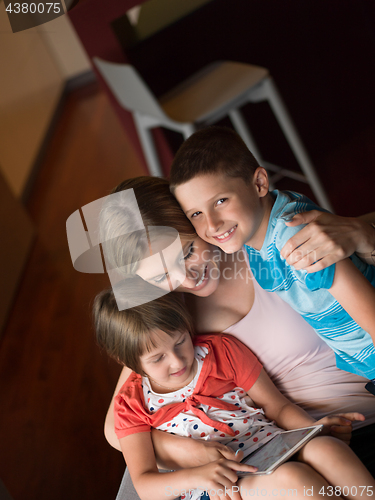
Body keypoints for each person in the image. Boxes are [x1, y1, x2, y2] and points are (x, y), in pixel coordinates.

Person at [100, 176, 375, 478]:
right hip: (293, 448)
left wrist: (364, 234)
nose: (188, 279)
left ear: (196, 219)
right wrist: (186, 451)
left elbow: (344, 251)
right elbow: (117, 427)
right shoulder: (167, 317)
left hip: (360, 415)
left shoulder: (258, 237)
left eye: (188, 252)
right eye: (159, 276)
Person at [94, 288, 374, 500]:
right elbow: (145, 484)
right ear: (127, 360)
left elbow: (277, 407)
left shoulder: (221, 351)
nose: (178, 361)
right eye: (157, 358)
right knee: (294, 480)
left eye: (181, 342)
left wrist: (311, 429)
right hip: (221, 486)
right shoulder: (130, 405)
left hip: (272, 447)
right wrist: (197, 476)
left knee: (328, 449)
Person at [169, 127, 375, 387]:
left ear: (259, 184)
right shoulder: (256, 236)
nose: (212, 225)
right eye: (195, 214)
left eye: (221, 201)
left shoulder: (294, 238)